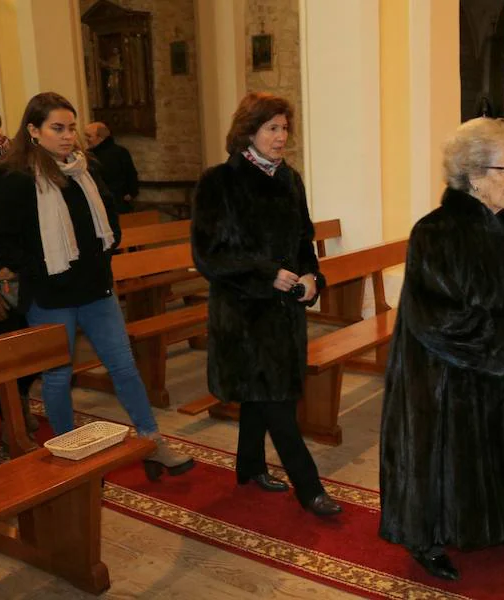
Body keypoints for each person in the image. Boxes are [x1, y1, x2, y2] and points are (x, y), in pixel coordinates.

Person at [0, 92, 194, 480]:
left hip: (97, 290)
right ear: (33, 130)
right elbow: (0, 239)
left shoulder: (85, 169)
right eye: (57, 128)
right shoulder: (14, 179)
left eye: (70, 128)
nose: (67, 137)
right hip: (51, 296)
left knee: (124, 368)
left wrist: (106, 247)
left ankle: (152, 442)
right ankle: (71, 460)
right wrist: (40, 268)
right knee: (58, 376)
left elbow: (110, 219)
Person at [379, 117, 504, 581]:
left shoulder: (497, 228)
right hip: (437, 373)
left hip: (483, 362)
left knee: (494, 445)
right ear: (473, 176)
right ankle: (426, 540)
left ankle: (501, 524)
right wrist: (501, 326)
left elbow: (492, 300)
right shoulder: (435, 232)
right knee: (439, 456)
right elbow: (437, 317)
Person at [191, 92, 342, 517]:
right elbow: (208, 255)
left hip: (285, 311)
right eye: (272, 128)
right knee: (276, 399)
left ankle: (249, 467)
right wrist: (265, 273)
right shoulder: (219, 181)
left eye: (284, 128)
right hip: (243, 313)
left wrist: (313, 277)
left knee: (264, 391)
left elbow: (302, 241)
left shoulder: (290, 179)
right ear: (248, 131)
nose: (281, 137)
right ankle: (309, 488)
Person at [0, 101, 39, 444]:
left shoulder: (8, 173)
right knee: (4, 353)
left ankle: (18, 403)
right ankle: (12, 422)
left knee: (30, 348)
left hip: (19, 276)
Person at [84, 121, 139, 214]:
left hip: (118, 202)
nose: (86, 139)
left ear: (100, 137)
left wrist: (131, 193)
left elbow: (131, 174)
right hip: (97, 202)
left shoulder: (120, 152)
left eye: (89, 136)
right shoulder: (88, 155)